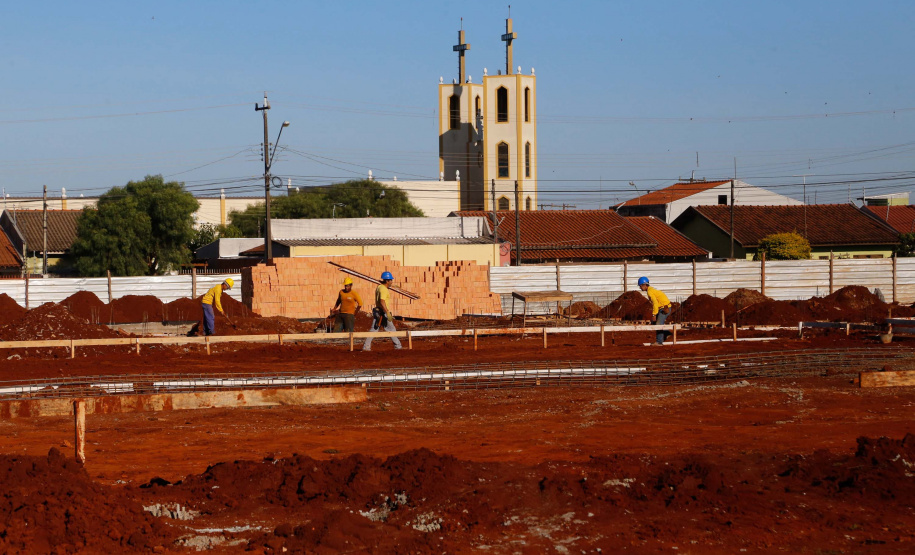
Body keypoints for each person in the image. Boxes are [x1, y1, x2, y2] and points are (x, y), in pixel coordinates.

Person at [363, 271, 402, 351]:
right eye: (391, 280)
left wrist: (394, 286)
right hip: (383, 313)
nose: (392, 281)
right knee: (391, 330)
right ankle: (398, 346)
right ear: (387, 281)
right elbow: (382, 301)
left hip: (378, 312)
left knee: (374, 329)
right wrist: (387, 312)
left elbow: (384, 290)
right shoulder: (384, 290)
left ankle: (366, 347)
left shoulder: (380, 287)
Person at [638, 276, 671, 346]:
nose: (640, 288)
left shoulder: (650, 292)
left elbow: (655, 303)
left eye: (640, 286)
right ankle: (666, 333)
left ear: (644, 285)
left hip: (665, 308)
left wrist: (654, 314)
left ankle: (659, 342)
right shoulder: (651, 290)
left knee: (658, 324)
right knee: (654, 322)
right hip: (662, 308)